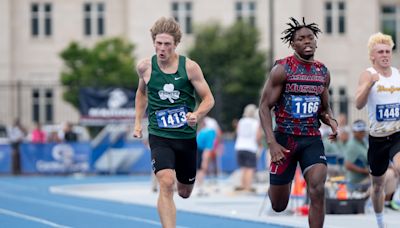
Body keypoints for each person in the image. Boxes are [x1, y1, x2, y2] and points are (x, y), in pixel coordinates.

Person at [133, 17, 214, 228]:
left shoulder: (190, 67)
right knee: (166, 183)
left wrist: (197, 114)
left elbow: (209, 98)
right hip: (160, 136)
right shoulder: (145, 67)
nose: (162, 48)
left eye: (167, 44)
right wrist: (138, 123)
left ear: (175, 44)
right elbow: (141, 94)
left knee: (185, 192)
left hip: (185, 137)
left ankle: (185, 182)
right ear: (153, 42)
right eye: (158, 43)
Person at [259, 17, 338, 228]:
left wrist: (331, 120)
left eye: (310, 37)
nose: (307, 42)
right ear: (293, 44)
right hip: (284, 140)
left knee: (317, 189)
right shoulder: (282, 69)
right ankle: (275, 185)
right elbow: (264, 106)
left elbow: (324, 108)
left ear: (316, 41)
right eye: (301, 39)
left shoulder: (323, 72)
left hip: (311, 139)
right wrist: (271, 143)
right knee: (279, 205)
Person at [355, 32, 400, 228]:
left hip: (397, 133)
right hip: (378, 138)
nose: (385, 55)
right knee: (377, 186)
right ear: (372, 56)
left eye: (388, 51)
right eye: (380, 51)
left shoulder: (397, 74)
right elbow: (357, 104)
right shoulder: (367, 74)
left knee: (399, 167)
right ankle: (380, 221)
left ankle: (397, 198)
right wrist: (370, 84)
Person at [344, 120, 399, 210]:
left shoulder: (363, 142)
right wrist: (365, 171)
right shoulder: (352, 145)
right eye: (360, 131)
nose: (362, 133)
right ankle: (381, 202)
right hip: (359, 178)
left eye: (363, 131)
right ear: (354, 132)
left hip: (368, 173)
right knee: (388, 175)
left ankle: (385, 202)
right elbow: (348, 165)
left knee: (391, 173)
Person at [234, 104, 262, 193]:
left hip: (240, 146)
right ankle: (248, 187)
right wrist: (259, 145)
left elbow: (237, 132)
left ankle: (243, 185)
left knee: (243, 168)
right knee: (250, 168)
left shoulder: (241, 121)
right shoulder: (255, 123)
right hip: (250, 146)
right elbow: (258, 136)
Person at [195, 118, 217, 196]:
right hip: (198, 148)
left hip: (196, 146)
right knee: (201, 168)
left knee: (199, 168)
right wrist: (205, 162)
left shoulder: (203, 131)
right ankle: (199, 186)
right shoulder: (211, 134)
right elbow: (207, 151)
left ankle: (198, 186)